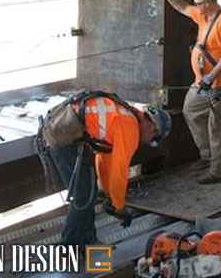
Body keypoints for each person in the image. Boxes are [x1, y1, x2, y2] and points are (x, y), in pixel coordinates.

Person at [40, 91, 171, 248]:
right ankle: (69, 246)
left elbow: (104, 158)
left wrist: (109, 194)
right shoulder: (130, 128)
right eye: (153, 139)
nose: (148, 142)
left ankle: (88, 239)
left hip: (64, 130)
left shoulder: (127, 116)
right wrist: (119, 207)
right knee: (82, 196)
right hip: (62, 137)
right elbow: (119, 171)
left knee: (89, 193)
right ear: (152, 127)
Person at [152, 0, 221, 184]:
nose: (196, 6)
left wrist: (212, 76)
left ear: (209, 2)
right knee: (191, 110)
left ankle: (219, 170)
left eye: (199, 3)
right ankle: (209, 155)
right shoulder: (203, 15)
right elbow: (182, 7)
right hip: (203, 82)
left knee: (219, 126)